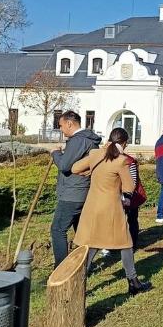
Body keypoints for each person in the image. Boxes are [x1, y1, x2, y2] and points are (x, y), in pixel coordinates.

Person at [71, 128, 152, 295]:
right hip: (111, 208)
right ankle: (133, 281)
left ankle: (77, 284)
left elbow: (74, 168)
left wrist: (90, 171)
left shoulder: (95, 154)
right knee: (126, 243)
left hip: (92, 208)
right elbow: (129, 187)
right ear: (124, 143)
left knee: (92, 244)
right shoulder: (121, 160)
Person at [49, 111, 101, 268]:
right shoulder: (88, 140)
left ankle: (62, 269)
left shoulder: (78, 141)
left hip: (73, 193)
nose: (61, 129)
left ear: (70, 123)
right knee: (81, 231)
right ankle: (85, 265)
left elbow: (65, 165)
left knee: (58, 229)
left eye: (61, 125)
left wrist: (55, 153)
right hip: (82, 190)